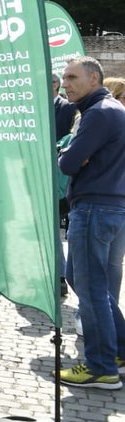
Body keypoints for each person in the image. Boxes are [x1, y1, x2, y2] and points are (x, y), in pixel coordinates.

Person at [57, 56, 125, 390]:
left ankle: (101, 366)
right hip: (110, 206)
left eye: (71, 77)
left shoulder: (98, 113)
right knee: (88, 280)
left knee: (92, 286)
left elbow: (69, 163)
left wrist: (66, 155)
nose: (65, 83)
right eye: (64, 77)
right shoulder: (112, 110)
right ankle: (118, 351)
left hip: (95, 207)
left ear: (94, 78)